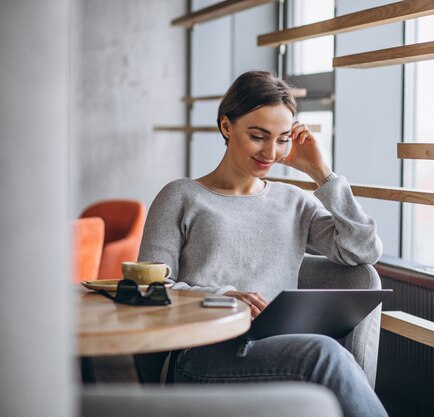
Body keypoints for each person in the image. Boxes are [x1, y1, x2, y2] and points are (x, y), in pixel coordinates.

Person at [138, 70, 388, 417]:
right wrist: (220, 296)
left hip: (273, 347)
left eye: (283, 138)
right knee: (324, 355)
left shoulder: (294, 202)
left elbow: (363, 250)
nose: (271, 151)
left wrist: (323, 176)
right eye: (258, 136)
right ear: (227, 126)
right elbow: (148, 290)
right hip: (200, 354)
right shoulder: (181, 197)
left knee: (323, 354)